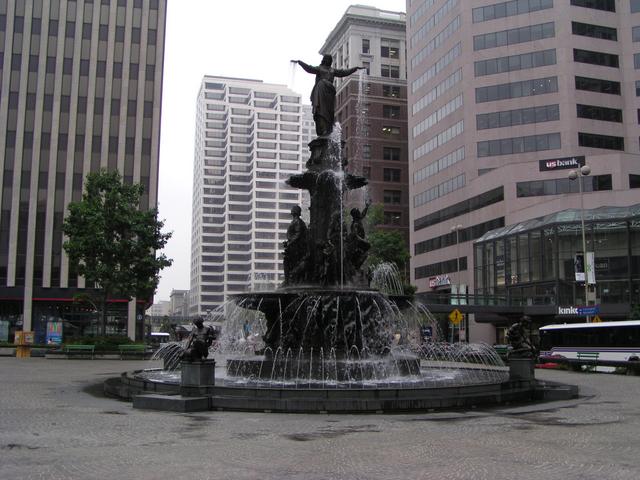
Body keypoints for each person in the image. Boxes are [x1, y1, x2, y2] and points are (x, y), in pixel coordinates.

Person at [292, 55, 365, 136]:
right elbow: (309, 68)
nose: (328, 60)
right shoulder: (319, 68)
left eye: (330, 59)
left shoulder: (332, 70)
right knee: (320, 110)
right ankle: (323, 129)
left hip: (330, 93)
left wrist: (355, 69)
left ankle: (328, 129)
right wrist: (300, 62)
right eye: (327, 59)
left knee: (330, 111)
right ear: (324, 60)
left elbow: (343, 72)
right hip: (321, 91)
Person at [283, 205, 308, 284]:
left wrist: (290, 243)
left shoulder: (298, 222)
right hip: (293, 246)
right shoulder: (296, 221)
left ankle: (290, 279)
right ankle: (289, 279)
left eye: (293, 211)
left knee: (289, 262)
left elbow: (298, 234)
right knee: (289, 262)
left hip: (297, 247)